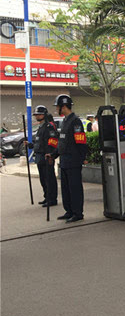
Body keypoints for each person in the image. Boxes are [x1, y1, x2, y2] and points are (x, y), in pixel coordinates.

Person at [46, 95, 87, 223]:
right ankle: (69, 211)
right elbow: (61, 143)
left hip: (73, 161)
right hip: (64, 161)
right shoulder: (65, 121)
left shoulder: (75, 121)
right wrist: (53, 155)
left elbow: (81, 142)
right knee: (66, 189)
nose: (56, 109)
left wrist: (82, 158)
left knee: (74, 188)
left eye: (57, 107)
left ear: (63, 107)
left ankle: (77, 213)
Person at [27, 105, 58, 207]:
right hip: (39, 156)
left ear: (44, 114)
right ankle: (47, 197)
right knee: (43, 179)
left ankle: (52, 199)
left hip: (47, 156)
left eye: (39, 114)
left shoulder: (49, 127)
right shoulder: (40, 127)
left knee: (49, 179)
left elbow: (53, 142)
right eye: (36, 114)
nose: (37, 116)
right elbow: (38, 143)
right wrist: (30, 145)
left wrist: (50, 154)